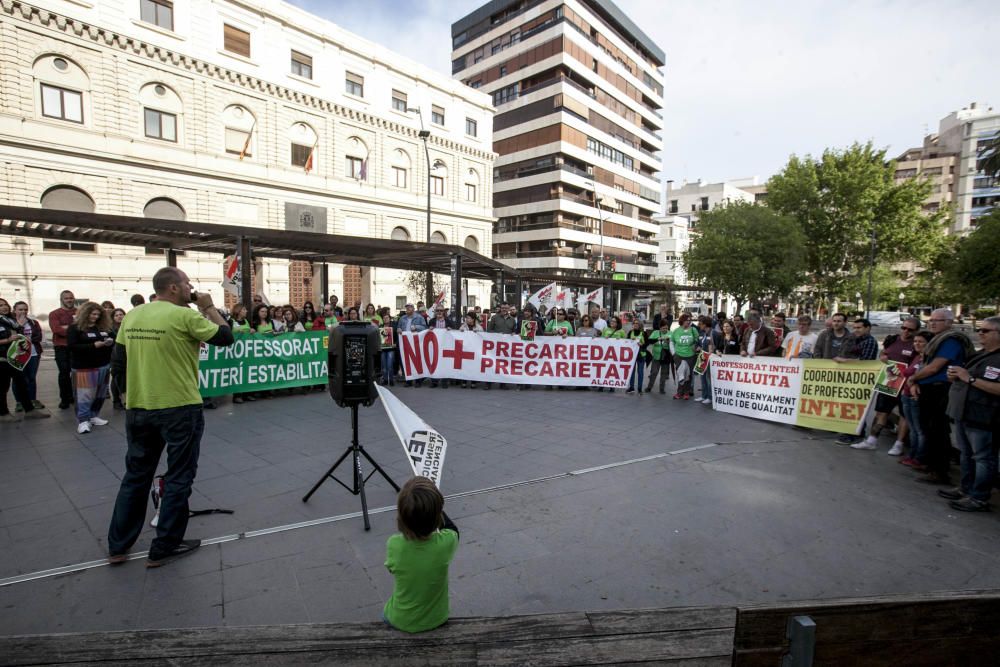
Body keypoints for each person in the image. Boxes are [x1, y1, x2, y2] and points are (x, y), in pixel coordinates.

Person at [107, 267, 234, 568]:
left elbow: (118, 361)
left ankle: (118, 546)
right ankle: (165, 545)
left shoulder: (134, 316)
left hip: (140, 408)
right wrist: (207, 306)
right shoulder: (186, 316)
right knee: (179, 476)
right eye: (188, 284)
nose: (192, 288)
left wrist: (126, 396)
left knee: (136, 476)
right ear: (174, 288)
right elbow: (226, 337)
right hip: (179, 408)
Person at [382, 476, 459, 633]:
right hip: (437, 618)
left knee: (385, 615)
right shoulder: (446, 543)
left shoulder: (394, 545)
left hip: (400, 619)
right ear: (438, 516)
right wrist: (434, 507)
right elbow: (453, 529)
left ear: (401, 517)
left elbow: (391, 569)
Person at [939, 316, 1000, 512]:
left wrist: (969, 378)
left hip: (984, 416)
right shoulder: (981, 354)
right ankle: (966, 488)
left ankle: (979, 496)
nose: (980, 333)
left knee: (983, 458)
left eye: (985, 331)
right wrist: (956, 377)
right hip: (964, 413)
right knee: (966, 454)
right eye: (980, 330)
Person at [859, 317, 919, 454]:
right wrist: (882, 357)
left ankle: (899, 444)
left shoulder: (917, 343)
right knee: (881, 411)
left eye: (910, 330)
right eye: (904, 328)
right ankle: (871, 440)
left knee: (904, 415)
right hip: (889, 381)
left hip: (906, 384)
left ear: (917, 331)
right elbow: (883, 353)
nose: (906, 331)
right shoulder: (892, 339)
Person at [67, 302, 115, 434]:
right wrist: (94, 345)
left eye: (98, 314)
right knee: (84, 395)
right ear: (85, 313)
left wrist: (110, 342)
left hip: (103, 365)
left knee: (100, 393)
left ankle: (93, 415)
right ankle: (83, 420)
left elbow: (113, 338)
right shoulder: (75, 328)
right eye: (93, 314)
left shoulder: (102, 327)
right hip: (84, 367)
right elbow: (72, 346)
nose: (95, 317)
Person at [1, 299, 49, 422]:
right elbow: (11, 337)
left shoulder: (10, 320)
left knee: (22, 382)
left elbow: (20, 335)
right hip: (2, 358)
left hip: (14, 357)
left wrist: (20, 330)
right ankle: (3, 413)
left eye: (5, 304)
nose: (4, 307)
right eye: (0, 306)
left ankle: (29, 410)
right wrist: (8, 340)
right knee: (3, 386)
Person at [899, 331, 933, 469]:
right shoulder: (917, 357)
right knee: (913, 429)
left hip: (916, 397)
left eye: (921, 342)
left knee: (919, 430)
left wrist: (914, 382)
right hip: (906, 395)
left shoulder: (928, 360)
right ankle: (912, 455)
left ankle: (919, 458)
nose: (917, 344)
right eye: (915, 341)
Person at [11, 301, 45, 411]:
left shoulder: (33, 322)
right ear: (14, 310)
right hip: (18, 354)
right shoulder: (11, 323)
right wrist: (20, 326)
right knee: (18, 379)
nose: (23, 311)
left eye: (25, 309)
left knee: (31, 378)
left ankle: (32, 400)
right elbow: (13, 336)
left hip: (34, 353)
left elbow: (38, 336)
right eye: (20, 309)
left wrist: (31, 339)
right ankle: (19, 402)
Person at [49, 290, 77, 409]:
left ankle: (74, 396)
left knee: (77, 373)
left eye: (71, 298)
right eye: (66, 298)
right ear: (61, 300)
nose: (69, 300)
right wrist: (74, 329)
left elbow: (85, 328)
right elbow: (57, 330)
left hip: (76, 347)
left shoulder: (79, 312)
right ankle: (64, 399)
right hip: (61, 347)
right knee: (64, 373)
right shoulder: (54, 314)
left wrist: (67, 328)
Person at [398, 304, 427, 387]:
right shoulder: (402, 318)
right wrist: (399, 329)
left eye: (410, 307)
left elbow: (424, 328)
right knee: (406, 361)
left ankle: (418, 381)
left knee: (417, 361)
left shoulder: (419, 317)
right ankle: (409, 380)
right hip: (405, 342)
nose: (408, 309)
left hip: (415, 342)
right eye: (406, 307)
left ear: (413, 309)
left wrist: (416, 327)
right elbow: (398, 328)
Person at [669, 313, 697, 400]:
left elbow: (697, 340)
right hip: (679, 356)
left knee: (688, 375)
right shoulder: (676, 331)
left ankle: (686, 393)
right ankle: (679, 392)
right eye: (686, 320)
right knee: (680, 374)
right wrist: (674, 353)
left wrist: (695, 346)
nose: (688, 322)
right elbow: (671, 342)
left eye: (689, 320)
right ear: (682, 321)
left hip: (690, 356)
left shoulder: (693, 330)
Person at [695, 315, 720, 404]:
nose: (699, 325)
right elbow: (698, 342)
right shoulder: (702, 333)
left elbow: (717, 345)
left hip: (710, 356)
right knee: (702, 377)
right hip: (702, 356)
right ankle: (703, 395)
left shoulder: (714, 333)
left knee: (708, 377)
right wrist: (697, 347)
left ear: (705, 324)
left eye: (700, 323)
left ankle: (710, 396)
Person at [645, 319, 672, 394]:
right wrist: (658, 339)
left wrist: (669, 341)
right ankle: (649, 387)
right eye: (663, 328)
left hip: (666, 357)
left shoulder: (670, 333)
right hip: (656, 356)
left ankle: (662, 389)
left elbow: (674, 344)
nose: (665, 330)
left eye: (666, 328)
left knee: (663, 374)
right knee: (654, 372)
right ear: (660, 328)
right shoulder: (655, 332)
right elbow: (649, 341)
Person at [109, 308, 127, 410]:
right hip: (115, 356)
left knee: (124, 378)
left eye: (121, 314)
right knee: (116, 377)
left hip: (126, 356)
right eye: (116, 315)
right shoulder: (111, 329)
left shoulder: (128, 326)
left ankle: (125, 399)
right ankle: (116, 400)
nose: (119, 316)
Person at [625, 318, 647, 394]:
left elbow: (647, 344)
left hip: (641, 355)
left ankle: (640, 388)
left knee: (640, 372)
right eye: (634, 323)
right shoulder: (630, 332)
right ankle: (631, 387)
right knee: (631, 372)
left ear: (640, 325)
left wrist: (642, 344)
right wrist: (630, 341)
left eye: (637, 323)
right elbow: (626, 343)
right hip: (632, 356)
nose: (635, 325)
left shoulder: (644, 333)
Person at [379, 308, 397, 386]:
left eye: (387, 318)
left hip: (391, 349)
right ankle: (386, 379)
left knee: (389, 365)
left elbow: (397, 337)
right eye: (384, 318)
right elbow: (378, 338)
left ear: (389, 319)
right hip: (383, 349)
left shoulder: (393, 327)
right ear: (382, 319)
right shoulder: (380, 327)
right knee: (384, 365)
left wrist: (395, 344)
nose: (385, 319)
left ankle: (391, 379)